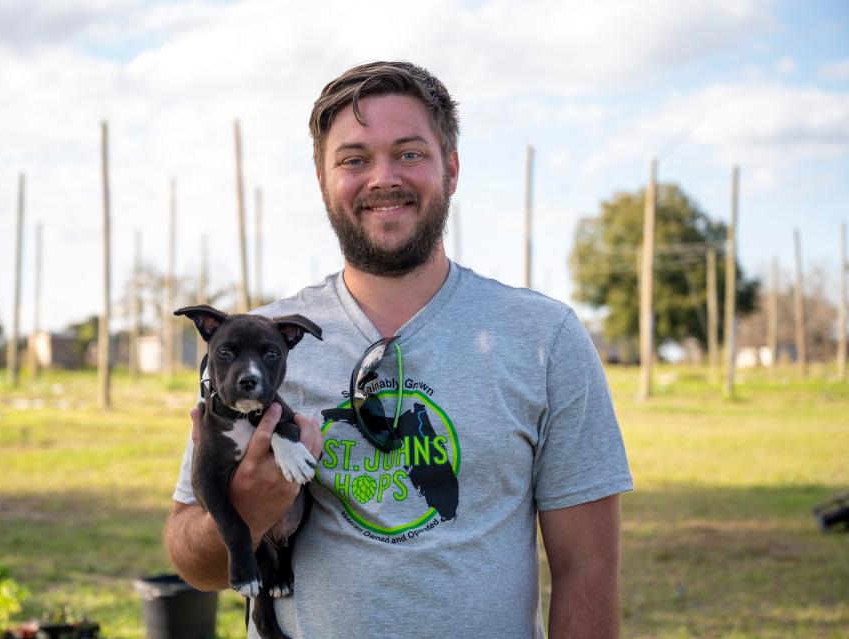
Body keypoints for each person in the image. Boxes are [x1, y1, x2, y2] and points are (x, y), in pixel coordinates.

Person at [165, 60, 633, 638]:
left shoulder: (544, 337)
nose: (382, 177)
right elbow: (192, 561)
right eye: (354, 159)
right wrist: (249, 510)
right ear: (322, 180)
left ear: (452, 169)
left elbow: (587, 569)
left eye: (409, 153)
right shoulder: (252, 343)